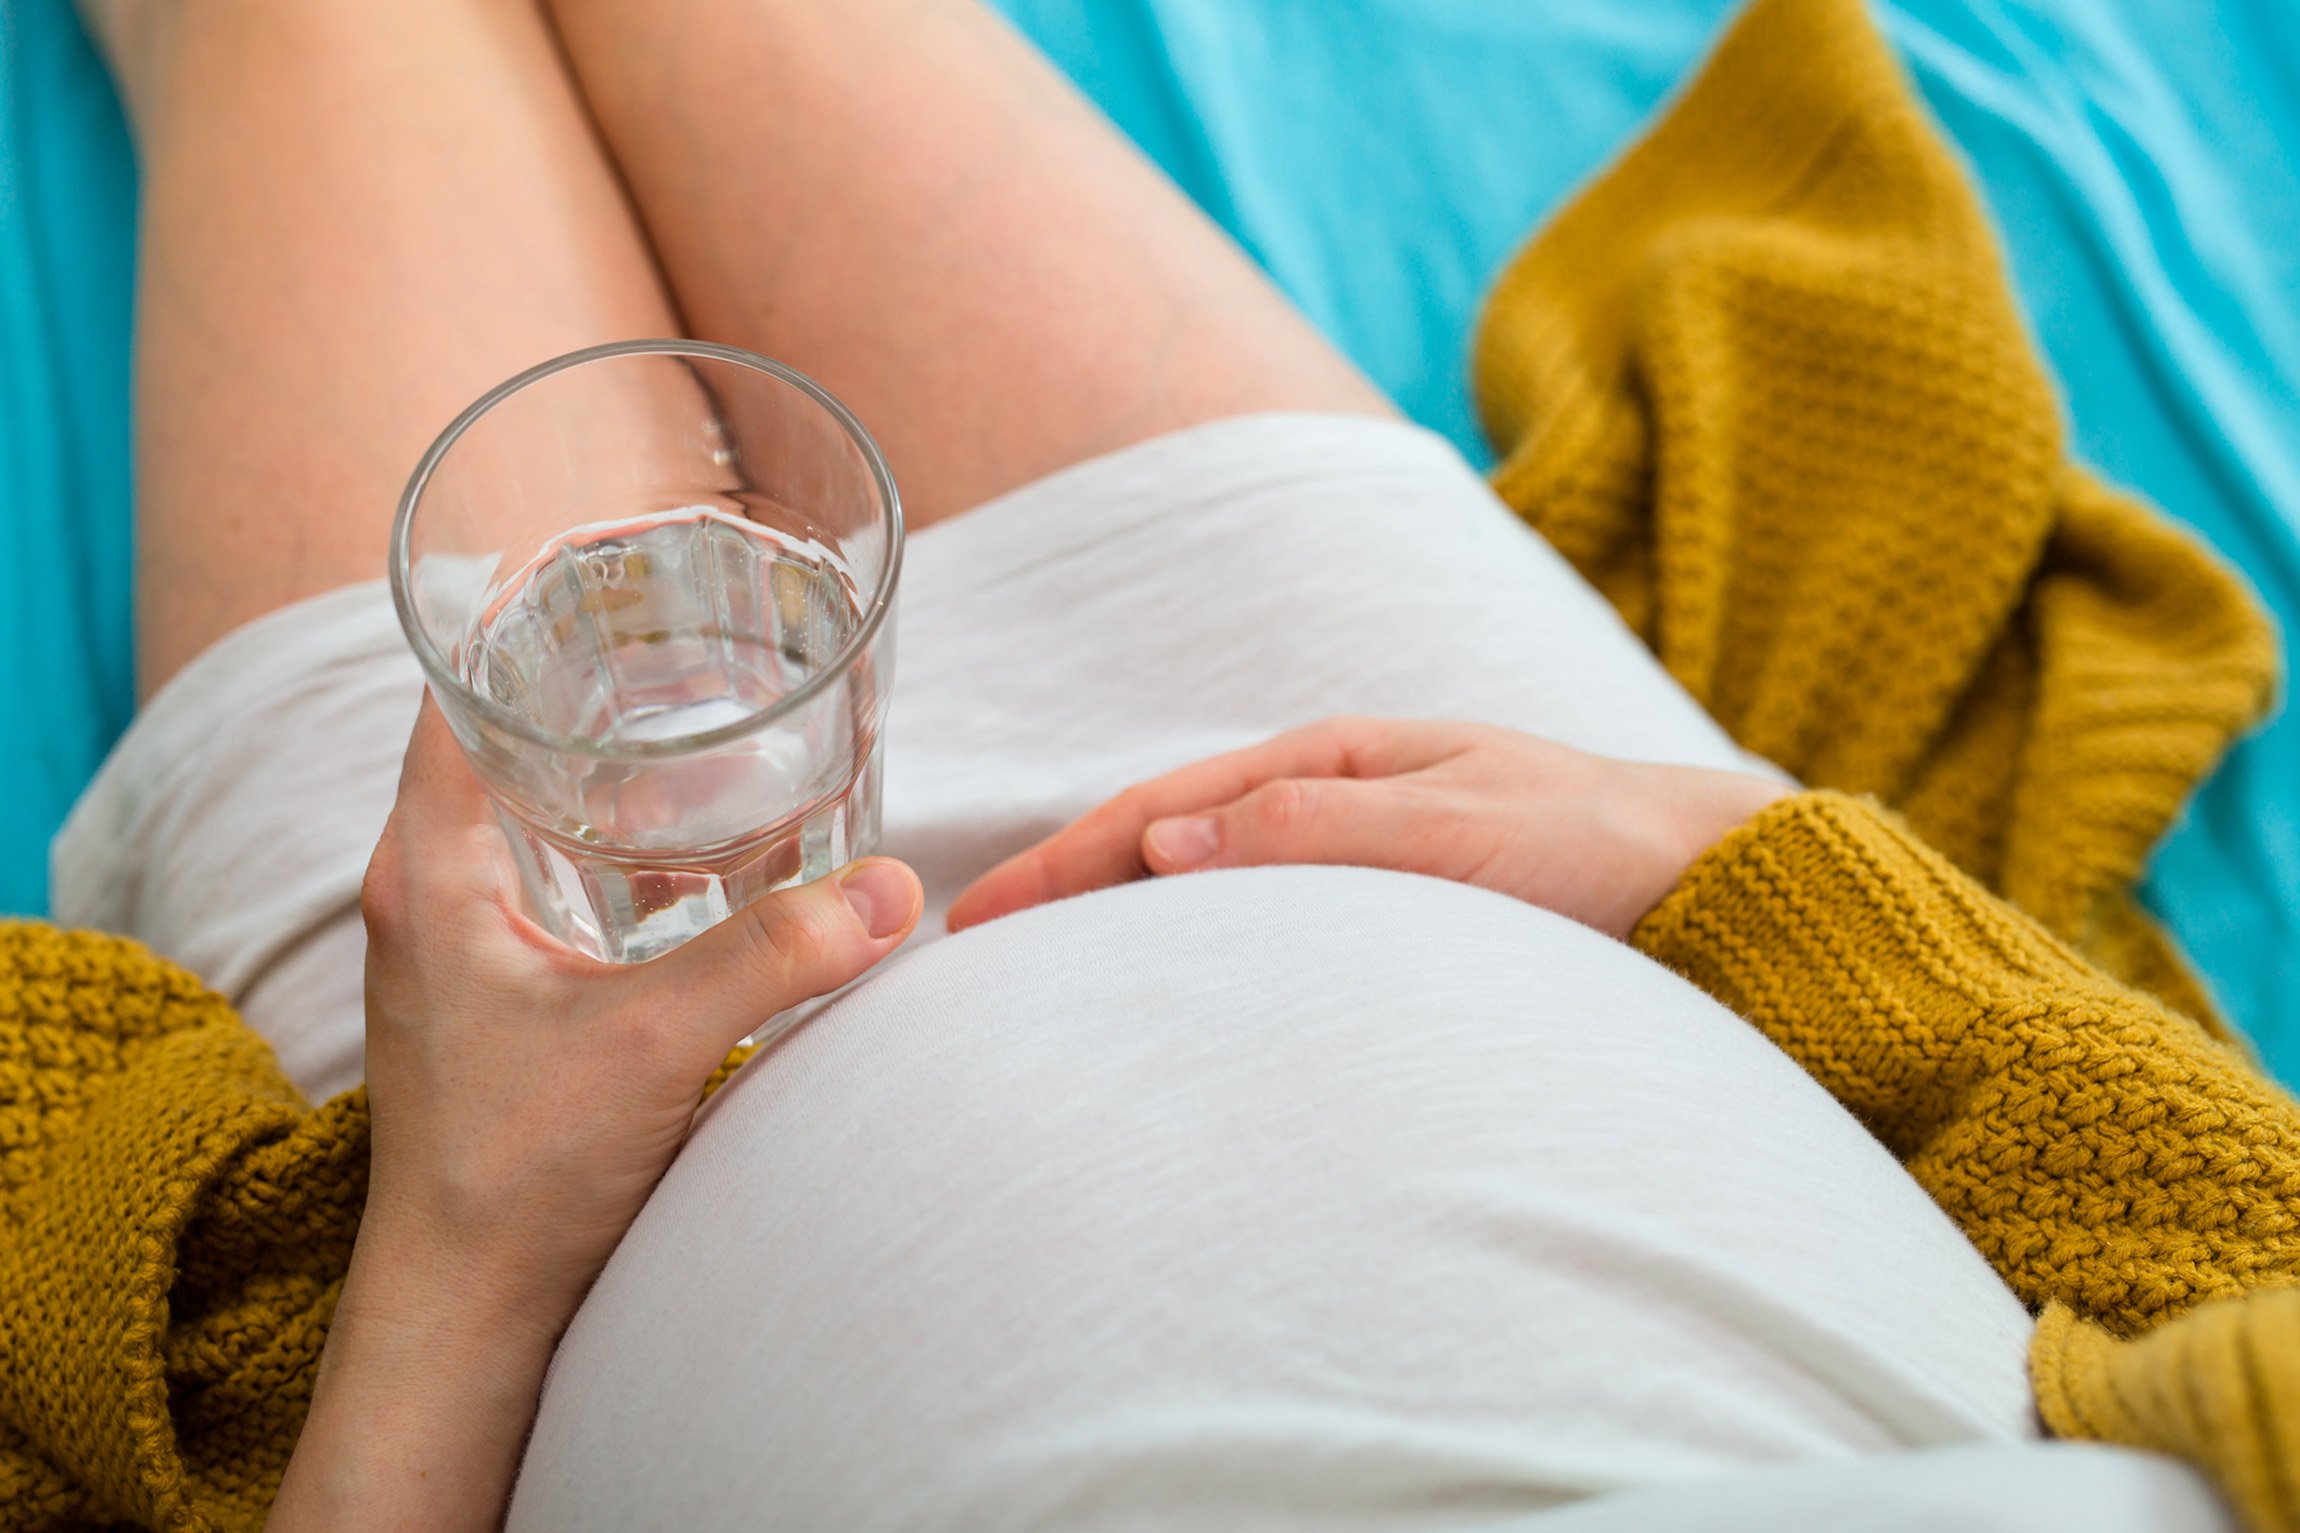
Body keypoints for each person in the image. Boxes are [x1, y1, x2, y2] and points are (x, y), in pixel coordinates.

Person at [52, 1, 2234, 1529]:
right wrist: (1732, 853)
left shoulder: (478, 1189)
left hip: (526, 1152)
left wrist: (452, 1250)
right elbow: (2258, 1275)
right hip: (1409, 787)